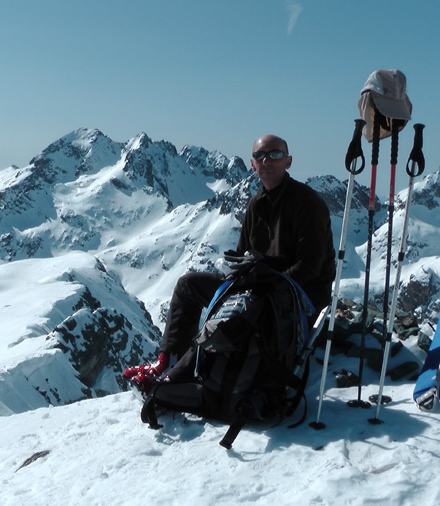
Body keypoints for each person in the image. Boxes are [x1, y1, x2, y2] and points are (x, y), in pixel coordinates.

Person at [124, 134, 336, 391]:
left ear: (288, 161)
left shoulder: (307, 202)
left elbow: (311, 266)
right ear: (252, 163)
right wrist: (238, 283)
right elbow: (242, 258)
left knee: (238, 316)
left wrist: (269, 287)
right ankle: (167, 360)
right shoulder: (255, 206)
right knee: (188, 285)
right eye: (260, 156)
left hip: (299, 296)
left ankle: (178, 379)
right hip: (259, 288)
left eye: (275, 155)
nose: (267, 160)